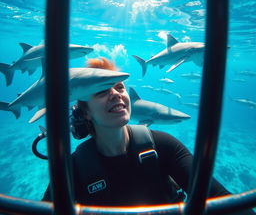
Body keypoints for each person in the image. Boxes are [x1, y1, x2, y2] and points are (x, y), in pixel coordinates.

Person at [42, 57, 255, 214]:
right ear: (85, 111)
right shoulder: (74, 167)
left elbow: (220, 199)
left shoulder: (162, 146)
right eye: (101, 91)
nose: (116, 93)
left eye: (119, 87)